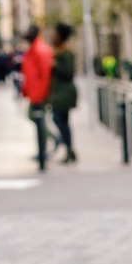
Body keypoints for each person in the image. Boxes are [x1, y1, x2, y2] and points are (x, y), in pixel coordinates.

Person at [21, 25, 53, 168]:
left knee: (38, 119)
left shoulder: (40, 50)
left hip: (39, 94)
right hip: (35, 92)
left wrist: (42, 93)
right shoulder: (34, 49)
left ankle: (45, 147)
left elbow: (45, 74)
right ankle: (43, 149)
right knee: (36, 119)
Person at [50, 22, 79, 164]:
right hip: (60, 93)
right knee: (63, 122)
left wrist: (55, 65)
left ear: (60, 36)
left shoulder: (66, 53)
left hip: (64, 94)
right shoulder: (58, 51)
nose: (52, 36)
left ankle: (65, 145)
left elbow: (69, 72)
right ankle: (69, 150)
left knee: (59, 120)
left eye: (55, 34)